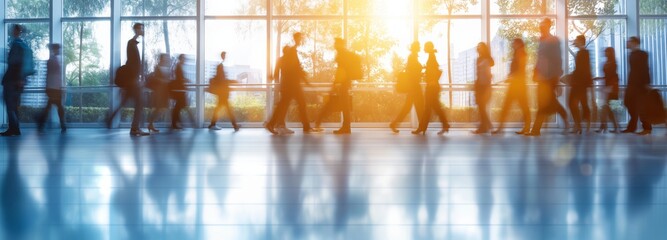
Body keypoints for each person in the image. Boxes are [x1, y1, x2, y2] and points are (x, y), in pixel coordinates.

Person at [265, 32, 315, 134]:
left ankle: (272, 124)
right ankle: (305, 126)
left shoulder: (282, 59)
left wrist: (306, 81)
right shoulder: (291, 54)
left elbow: (278, 74)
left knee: (286, 105)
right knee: (293, 105)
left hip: (289, 86)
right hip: (292, 86)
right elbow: (298, 70)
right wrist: (297, 40)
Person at [526, 18, 569, 136]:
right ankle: (537, 129)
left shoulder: (553, 40)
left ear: (548, 27)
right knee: (544, 102)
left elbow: (557, 59)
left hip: (550, 77)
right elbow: (539, 59)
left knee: (546, 102)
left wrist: (556, 76)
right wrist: (535, 72)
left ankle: (536, 130)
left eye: (543, 26)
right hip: (542, 77)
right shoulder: (541, 41)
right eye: (540, 26)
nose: (541, 28)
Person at [107, 23, 149, 136]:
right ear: (135, 30)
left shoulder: (133, 44)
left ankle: (110, 118)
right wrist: (137, 79)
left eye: (142, 28)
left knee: (124, 102)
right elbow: (132, 63)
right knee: (140, 103)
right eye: (140, 28)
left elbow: (133, 63)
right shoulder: (131, 43)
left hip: (132, 80)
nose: (142, 30)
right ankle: (135, 128)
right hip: (132, 80)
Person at [314, 38, 355, 134]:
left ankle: (345, 128)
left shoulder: (342, 54)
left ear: (339, 44)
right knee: (345, 106)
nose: (334, 45)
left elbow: (341, 70)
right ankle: (346, 127)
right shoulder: (344, 53)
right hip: (344, 83)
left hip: (342, 84)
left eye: (336, 43)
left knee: (343, 106)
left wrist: (336, 83)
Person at [493, 38, 531, 135]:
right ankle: (501, 128)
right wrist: (510, 76)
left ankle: (526, 128)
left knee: (523, 107)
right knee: (508, 106)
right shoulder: (517, 54)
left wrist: (512, 77)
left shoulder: (522, 54)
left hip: (519, 86)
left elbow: (521, 70)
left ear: (518, 44)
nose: (512, 44)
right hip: (515, 86)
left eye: (514, 43)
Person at [1, 24, 32, 137]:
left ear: (16, 31)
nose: (11, 31)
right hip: (18, 81)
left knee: (10, 105)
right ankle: (15, 129)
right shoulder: (22, 45)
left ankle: (13, 129)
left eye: (13, 30)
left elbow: (16, 64)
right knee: (13, 106)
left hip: (12, 81)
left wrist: (19, 79)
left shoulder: (16, 45)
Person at [412, 41, 449, 135]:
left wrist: (431, 79)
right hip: (433, 86)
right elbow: (435, 70)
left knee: (427, 108)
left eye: (425, 47)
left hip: (432, 87)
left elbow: (435, 71)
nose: (424, 48)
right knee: (435, 108)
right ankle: (444, 125)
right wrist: (427, 72)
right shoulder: (431, 56)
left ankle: (422, 128)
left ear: (428, 47)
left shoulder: (432, 57)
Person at [389, 41, 425, 133]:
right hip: (414, 86)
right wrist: (421, 73)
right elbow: (413, 72)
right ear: (416, 47)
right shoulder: (412, 57)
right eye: (419, 46)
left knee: (409, 107)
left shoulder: (413, 57)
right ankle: (421, 127)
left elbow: (412, 71)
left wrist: (420, 73)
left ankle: (394, 124)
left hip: (413, 86)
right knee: (418, 106)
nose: (420, 47)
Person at [622, 36, 652, 135]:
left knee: (641, 106)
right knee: (627, 102)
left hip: (640, 85)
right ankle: (632, 127)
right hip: (631, 83)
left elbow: (645, 68)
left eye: (629, 41)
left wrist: (647, 83)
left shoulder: (643, 54)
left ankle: (647, 128)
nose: (627, 43)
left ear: (635, 43)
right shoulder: (630, 54)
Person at [36, 43, 67, 133]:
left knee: (50, 107)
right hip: (54, 88)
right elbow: (50, 75)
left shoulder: (55, 60)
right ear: (54, 50)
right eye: (57, 49)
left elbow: (53, 75)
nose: (58, 51)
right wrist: (48, 87)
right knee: (57, 107)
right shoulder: (53, 61)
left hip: (55, 87)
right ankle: (62, 125)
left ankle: (42, 124)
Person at [208, 51, 240, 131]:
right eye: (224, 55)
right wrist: (233, 81)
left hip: (222, 92)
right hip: (223, 92)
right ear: (222, 56)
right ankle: (235, 125)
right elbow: (222, 80)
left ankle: (213, 124)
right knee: (227, 110)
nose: (225, 57)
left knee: (220, 109)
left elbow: (220, 79)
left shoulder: (220, 66)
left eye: (225, 55)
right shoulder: (220, 66)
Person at [567, 35, 592, 134]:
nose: (575, 41)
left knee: (573, 104)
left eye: (576, 40)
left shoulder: (584, 53)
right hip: (580, 83)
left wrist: (572, 77)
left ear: (581, 41)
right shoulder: (582, 53)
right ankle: (579, 126)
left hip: (579, 84)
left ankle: (578, 126)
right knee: (581, 104)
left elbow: (582, 70)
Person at [270, 46, 294, 134]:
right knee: (283, 106)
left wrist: (272, 77)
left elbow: (275, 73)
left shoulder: (280, 60)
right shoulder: (288, 60)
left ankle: (280, 125)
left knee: (283, 106)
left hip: (284, 85)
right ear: (287, 52)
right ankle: (278, 125)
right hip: (287, 86)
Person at [595, 47, 620, 133]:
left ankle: (610, 127)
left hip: (611, 88)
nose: (605, 53)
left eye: (607, 52)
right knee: (605, 108)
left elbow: (613, 76)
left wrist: (611, 87)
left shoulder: (613, 64)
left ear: (610, 53)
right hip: (607, 88)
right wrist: (599, 78)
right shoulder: (607, 63)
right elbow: (608, 76)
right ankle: (605, 126)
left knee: (609, 109)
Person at [146, 53, 172, 133]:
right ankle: (150, 123)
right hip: (159, 91)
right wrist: (162, 80)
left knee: (162, 109)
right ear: (161, 58)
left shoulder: (167, 67)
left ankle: (150, 124)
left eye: (167, 57)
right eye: (165, 57)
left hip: (165, 91)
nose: (167, 58)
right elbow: (155, 78)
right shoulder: (157, 67)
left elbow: (168, 78)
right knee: (159, 108)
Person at [473, 42, 494, 134]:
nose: (479, 48)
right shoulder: (478, 59)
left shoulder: (487, 59)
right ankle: (486, 125)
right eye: (478, 47)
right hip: (479, 85)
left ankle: (485, 127)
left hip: (485, 86)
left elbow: (488, 72)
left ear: (484, 48)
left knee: (481, 107)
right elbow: (478, 73)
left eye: (481, 47)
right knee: (481, 107)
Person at [170, 54, 195, 130]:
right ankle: (189, 122)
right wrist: (186, 80)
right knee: (181, 107)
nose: (185, 60)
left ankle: (176, 123)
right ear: (181, 59)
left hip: (180, 90)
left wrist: (185, 80)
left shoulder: (178, 66)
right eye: (184, 59)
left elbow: (179, 78)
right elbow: (179, 79)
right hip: (179, 90)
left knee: (179, 107)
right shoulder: (178, 67)